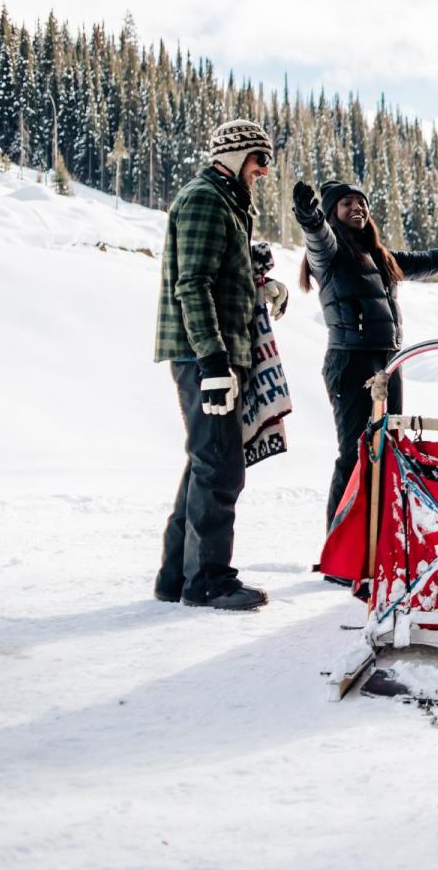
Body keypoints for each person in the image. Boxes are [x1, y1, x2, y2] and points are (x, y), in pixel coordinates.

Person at [293, 179, 438, 528]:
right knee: (356, 453)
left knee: (389, 449)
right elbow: (317, 237)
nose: (357, 208)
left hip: (388, 364)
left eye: (361, 202)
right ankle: (339, 545)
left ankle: (377, 539)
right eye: (346, 204)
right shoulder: (329, 254)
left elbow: (432, 260)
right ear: (332, 213)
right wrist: (309, 217)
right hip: (351, 362)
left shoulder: (380, 256)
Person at [153, 118, 285, 610]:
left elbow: (219, 268)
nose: (264, 171)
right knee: (221, 466)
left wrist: (259, 280)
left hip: (214, 351)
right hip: (203, 353)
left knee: (204, 463)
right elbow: (193, 284)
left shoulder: (227, 203)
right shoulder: (207, 198)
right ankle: (209, 580)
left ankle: (176, 577)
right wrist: (212, 363)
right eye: (259, 159)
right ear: (233, 157)